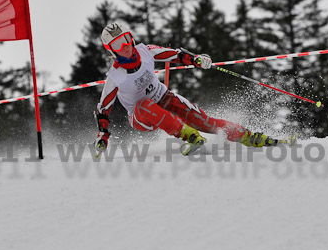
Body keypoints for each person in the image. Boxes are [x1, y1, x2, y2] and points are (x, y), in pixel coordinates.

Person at [94, 22, 286, 155]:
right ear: (111, 49)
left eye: (126, 39)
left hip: (163, 98)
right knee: (144, 105)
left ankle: (253, 138)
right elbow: (103, 109)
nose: (125, 46)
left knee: (205, 122)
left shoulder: (145, 51)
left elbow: (175, 55)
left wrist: (196, 59)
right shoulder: (115, 77)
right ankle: (192, 138)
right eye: (118, 44)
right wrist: (103, 135)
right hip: (141, 117)